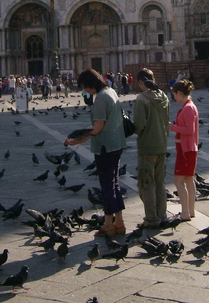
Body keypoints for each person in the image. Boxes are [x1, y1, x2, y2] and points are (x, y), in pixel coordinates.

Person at [66, 69, 126, 237]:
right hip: (117, 144)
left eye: (85, 87)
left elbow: (98, 127)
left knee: (107, 187)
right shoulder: (111, 91)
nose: (85, 91)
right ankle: (119, 223)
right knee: (114, 184)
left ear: (91, 84)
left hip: (105, 147)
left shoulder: (100, 98)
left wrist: (79, 140)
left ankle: (108, 225)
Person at [133, 68, 170, 228]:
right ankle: (162, 216)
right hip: (162, 145)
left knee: (147, 184)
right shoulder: (164, 97)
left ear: (141, 82)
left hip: (147, 146)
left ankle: (151, 219)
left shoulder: (142, 99)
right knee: (160, 183)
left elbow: (139, 125)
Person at [170, 79, 199, 220]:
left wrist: (172, 127)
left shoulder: (188, 108)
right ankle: (190, 211)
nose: (174, 97)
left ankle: (185, 213)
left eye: (174, 94)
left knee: (178, 180)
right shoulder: (189, 106)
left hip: (186, 150)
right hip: (188, 149)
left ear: (180, 93)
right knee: (188, 179)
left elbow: (189, 129)